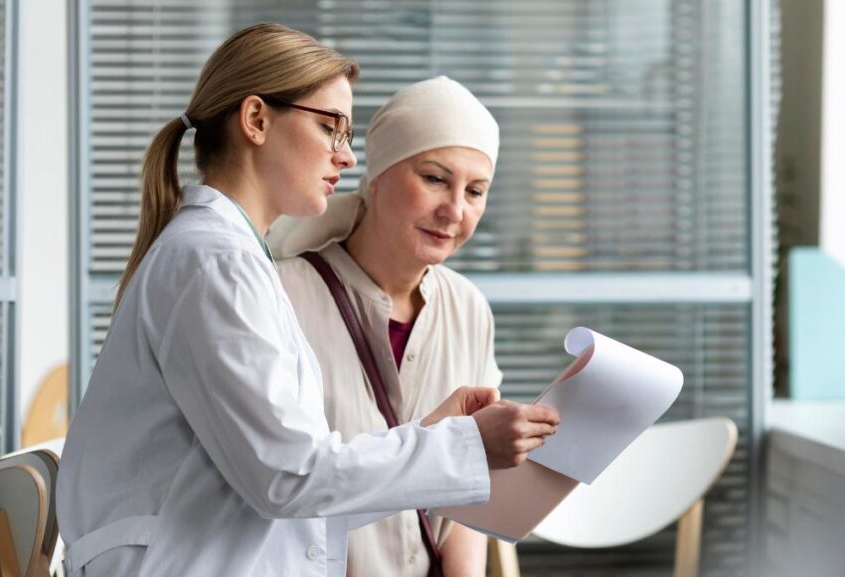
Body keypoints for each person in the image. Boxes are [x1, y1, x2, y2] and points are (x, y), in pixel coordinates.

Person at [56, 24, 559, 577]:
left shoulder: (231, 259)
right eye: (329, 128)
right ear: (256, 120)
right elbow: (289, 477)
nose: (345, 158)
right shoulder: (217, 264)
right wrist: (462, 446)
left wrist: (442, 439)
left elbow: (295, 481)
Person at [268, 76, 505, 577]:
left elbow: (471, 483)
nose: (455, 211)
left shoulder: (468, 308)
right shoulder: (282, 296)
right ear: (376, 174)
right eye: (436, 179)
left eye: (476, 191)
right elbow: (283, 485)